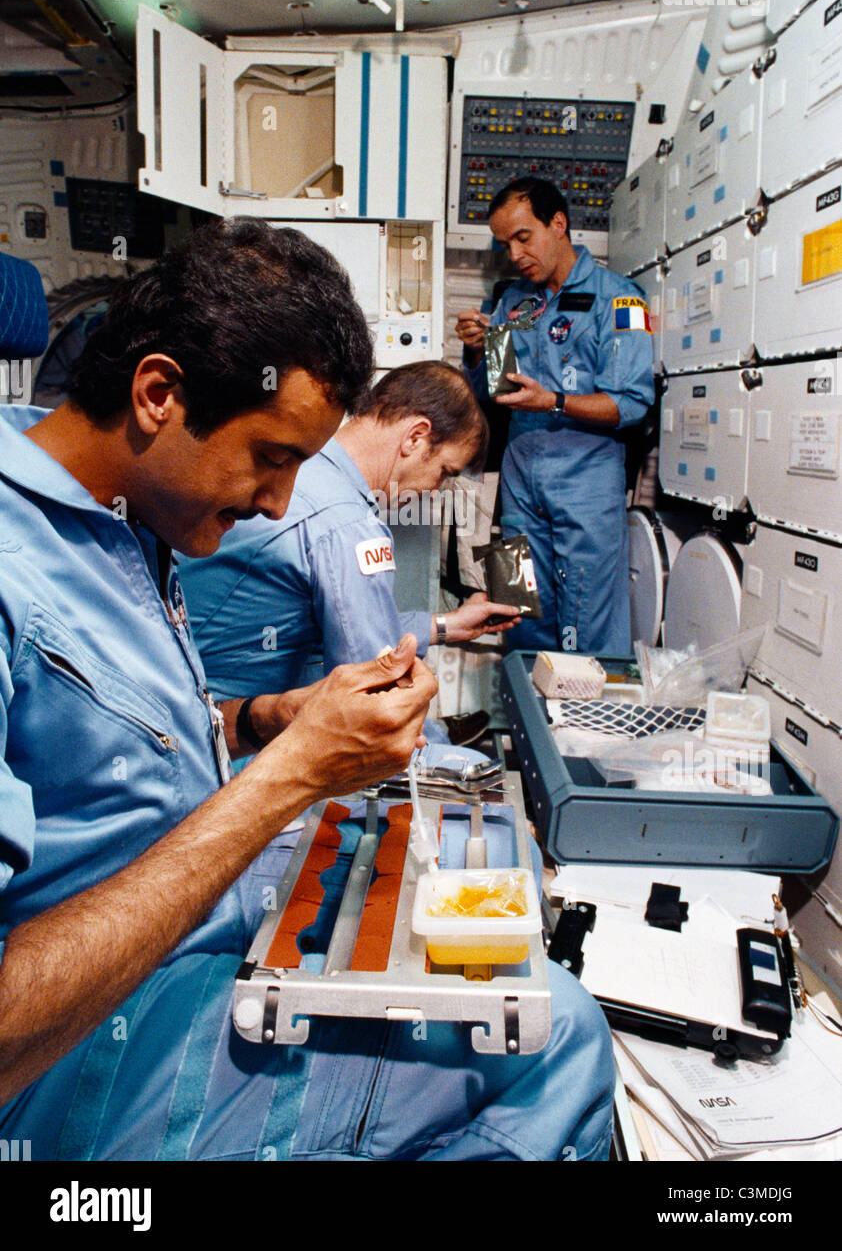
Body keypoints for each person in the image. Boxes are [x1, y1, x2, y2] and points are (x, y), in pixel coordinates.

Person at [0, 217, 615, 1162]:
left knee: (492, 910)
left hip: (179, 921)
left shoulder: (122, 520)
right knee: (557, 1035)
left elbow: (90, 747)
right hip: (73, 1049)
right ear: (159, 395)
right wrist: (287, 775)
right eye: (272, 457)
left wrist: (254, 722)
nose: (280, 503)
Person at [178, 361, 522, 751]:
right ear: (415, 437)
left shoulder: (302, 468)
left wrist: (447, 625)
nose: (434, 490)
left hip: (196, 711)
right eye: (444, 472)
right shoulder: (348, 526)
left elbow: (352, 622)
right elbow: (371, 694)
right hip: (227, 745)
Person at [456, 177, 655, 659]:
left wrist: (556, 402)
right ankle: (524, 714)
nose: (515, 254)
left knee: (590, 618)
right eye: (505, 244)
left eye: (523, 237)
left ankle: (586, 730)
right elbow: (499, 391)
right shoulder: (511, 303)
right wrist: (480, 349)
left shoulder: (623, 300)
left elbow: (632, 402)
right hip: (519, 484)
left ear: (559, 224)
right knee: (515, 607)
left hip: (587, 483)